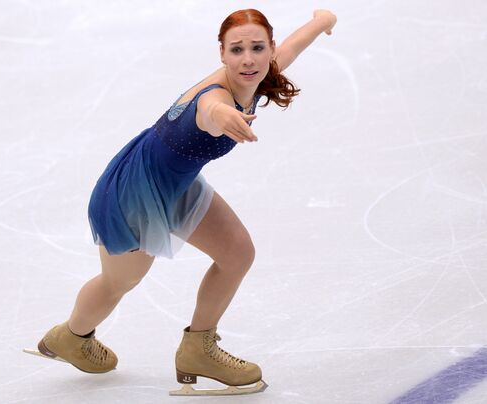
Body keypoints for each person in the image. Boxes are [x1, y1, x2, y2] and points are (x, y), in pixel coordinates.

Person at [26, 8, 337, 396]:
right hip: (134, 191)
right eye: (237, 49)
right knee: (120, 281)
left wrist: (320, 22)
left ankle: (198, 349)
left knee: (238, 253)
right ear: (221, 53)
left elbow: (291, 48)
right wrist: (224, 115)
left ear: (268, 48)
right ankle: (71, 337)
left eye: (258, 48)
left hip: (178, 183)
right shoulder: (216, 97)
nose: (248, 59)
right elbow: (209, 110)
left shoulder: (257, 72)